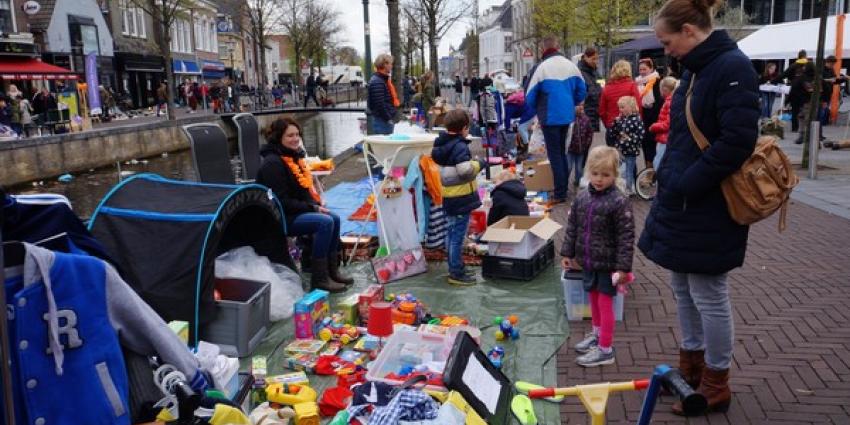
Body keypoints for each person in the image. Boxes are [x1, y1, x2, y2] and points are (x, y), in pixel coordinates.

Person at [638, 0, 760, 415]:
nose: (664, 50)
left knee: (709, 292)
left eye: (666, 41)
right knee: (682, 286)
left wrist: (687, 180)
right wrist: (668, 174)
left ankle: (716, 380)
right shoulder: (696, 69)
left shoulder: (731, 68)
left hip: (707, 201)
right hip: (683, 197)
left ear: (689, 31)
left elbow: (737, 141)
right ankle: (691, 366)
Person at [256, 117, 353, 293]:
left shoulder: (293, 157)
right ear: (279, 138)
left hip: (294, 211)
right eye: (289, 136)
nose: (295, 139)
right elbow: (282, 201)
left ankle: (332, 271)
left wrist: (316, 202)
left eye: (297, 135)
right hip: (280, 218)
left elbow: (302, 191)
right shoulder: (273, 163)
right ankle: (319, 279)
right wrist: (313, 208)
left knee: (335, 218)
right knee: (325, 222)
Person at [561, 146, 634, 367]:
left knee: (604, 303)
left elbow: (626, 238)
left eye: (605, 175)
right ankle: (597, 333)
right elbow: (573, 226)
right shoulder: (582, 197)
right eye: (595, 174)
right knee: (592, 298)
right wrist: (568, 252)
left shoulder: (619, 202)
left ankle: (605, 348)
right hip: (588, 261)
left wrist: (623, 268)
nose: (599, 179)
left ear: (615, 175)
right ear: (588, 173)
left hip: (608, 264)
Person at [524, 36, 587, 203]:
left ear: (542, 49)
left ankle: (560, 192)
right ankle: (563, 188)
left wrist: (536, 108)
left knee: (555, 155)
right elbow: (582, 90)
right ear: (557, 47)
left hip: (549, 115)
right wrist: (571, 102)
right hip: (567, 115)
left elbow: (529, 95)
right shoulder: (570, 65)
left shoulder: (541, 68)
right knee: (561, 152)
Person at [430, 109, 483, 286]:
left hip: (449, 196)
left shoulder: (441, 144)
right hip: (461, 198)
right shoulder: (460, 146)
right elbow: (464, 170)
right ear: (464, 127)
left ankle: (455, 266)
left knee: (451, 233)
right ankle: (456, 272)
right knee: (457, 237)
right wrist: (477, 164)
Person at [600, 60, 642, 148]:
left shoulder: (606, 88)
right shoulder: (631, 86)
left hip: (612, 126)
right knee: (629, 158)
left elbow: (602, 111)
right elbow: (638, 107)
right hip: (629, 127)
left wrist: (608, 124)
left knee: (612, 158)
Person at [610, 96, 644, 194]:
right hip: (620, 150)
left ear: (631, 107)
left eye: (623, 107)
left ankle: (629, 189)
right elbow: (613, 133)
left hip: (631, 150)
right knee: (620, 170)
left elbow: (640, 135)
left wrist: (628, 139)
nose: (620, 110)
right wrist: (614, 123)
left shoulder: (637, 119)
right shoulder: (620, 119)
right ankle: (626, 187)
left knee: (629, 170)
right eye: (619, 107)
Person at [636, 58, 662, 170]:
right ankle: (648, 169)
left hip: (654, 118)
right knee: (645, 144)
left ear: (651, 69)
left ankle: (652, 171)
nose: (642, 72)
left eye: (644, 69)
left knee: (652, 144)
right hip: (643, 117)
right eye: (640, 69)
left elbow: (660, 101)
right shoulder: (637, 82)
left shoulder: (657, 81)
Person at [648, 76, 678, 171]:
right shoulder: (673, 100)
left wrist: (654, 126)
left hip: (664, 138)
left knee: (658, 163)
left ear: (664, 89)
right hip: (667, 137)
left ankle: (659, 184)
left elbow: (668, 123)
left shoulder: (669, 102)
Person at [367, 53, 399, 135]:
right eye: (390, 63)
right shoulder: (378, 81)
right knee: (385, 146)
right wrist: (388, 118)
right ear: (384, 64)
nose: (392, 66)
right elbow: (380, 104)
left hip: (384, 120)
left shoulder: (381, 80)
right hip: (383, 121)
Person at [784, 50, 815, 133]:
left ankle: (795, 128)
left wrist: (773, 82)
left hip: (795, 92)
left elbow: (784, 75)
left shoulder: (794, 65)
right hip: (804, 93)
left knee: (795, 110)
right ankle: (805, 129)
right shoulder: (809, 65)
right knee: (805, 111)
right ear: (805, 56)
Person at [567, 105, 594, 188]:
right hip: (570, 149)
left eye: (581, 107)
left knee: (579, 168)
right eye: (577, 107)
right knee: (568, 167)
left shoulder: (586, 119)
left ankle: (578, 181)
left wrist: (587, 144)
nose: (580, 109)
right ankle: (564, 182)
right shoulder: (569, 119)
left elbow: (590, 132)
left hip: (581, 149)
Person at [577, 47, 603, 132]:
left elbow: (602, 85)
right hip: (586, 110)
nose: (596, 61)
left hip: (595, 111)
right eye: (593, 59)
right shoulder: (580, 72)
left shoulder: (596, 72)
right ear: (585, 57)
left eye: (597, 59)